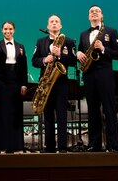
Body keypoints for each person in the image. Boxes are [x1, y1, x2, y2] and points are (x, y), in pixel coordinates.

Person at [76, 5, 118, 152]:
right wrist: (79, 54)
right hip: (89, 74)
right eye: (91, 12)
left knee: (109, 109)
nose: (94, 13)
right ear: (89, 17)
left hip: (105, 73)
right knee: (92, 111)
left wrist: (102, 48)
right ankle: (94, 145)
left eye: (97, 11)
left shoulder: (111, 31)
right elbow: (81, 51)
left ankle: (113, 145)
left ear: (102, 15)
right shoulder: (83, 34)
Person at [31, 14, 76, 153]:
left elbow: (74, 61)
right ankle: (49, 146)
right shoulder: (40, 41)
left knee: (62, 115)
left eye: (57, 22)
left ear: (61, 26)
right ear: (48, 26)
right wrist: (45, 59)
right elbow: (34, 61)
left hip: (61, 83)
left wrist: (60, 55)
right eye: (52, 22)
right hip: (46, 83)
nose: (54, 24)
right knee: (48, 115)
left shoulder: (68, 41)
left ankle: (62, 147)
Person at [0, 20, 28, 154]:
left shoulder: (20, 46)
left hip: (15, 83)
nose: (8, 31)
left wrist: (24, 84)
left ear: (14, 30)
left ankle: (15, 145)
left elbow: (23, 67)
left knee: (14, 114)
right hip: (0, 83)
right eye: (5, 29)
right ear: (1, 30)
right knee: (0, 114)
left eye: (10, 29)